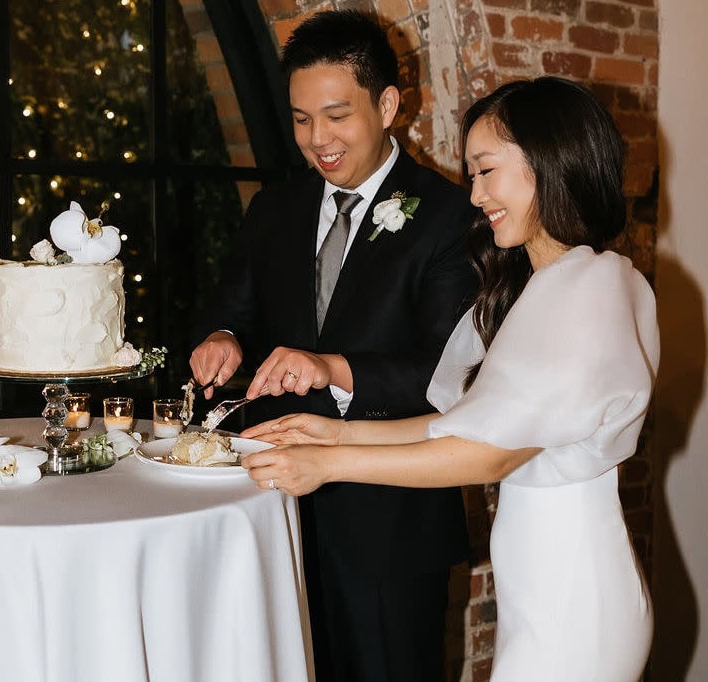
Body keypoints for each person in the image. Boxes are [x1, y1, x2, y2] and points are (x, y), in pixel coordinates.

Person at [241, 76, 658, 681]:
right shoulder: (543, 286)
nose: (475, 195)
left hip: (576, 598)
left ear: (547, 162)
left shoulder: (589, 286)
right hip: (545, 590)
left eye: (487, 172)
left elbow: (488, 456)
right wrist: (337, 436)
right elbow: (462, 426)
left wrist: (328, 467)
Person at [189, 10, 476, 680]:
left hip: (388, 529)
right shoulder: (273, 210)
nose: (316, 139)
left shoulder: (450, 218)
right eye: (299, 119)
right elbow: (231, 312)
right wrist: (221, 340)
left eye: (335, 115)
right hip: (268, 516)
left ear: (386, 104)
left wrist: (330, 366)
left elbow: (447, 376)